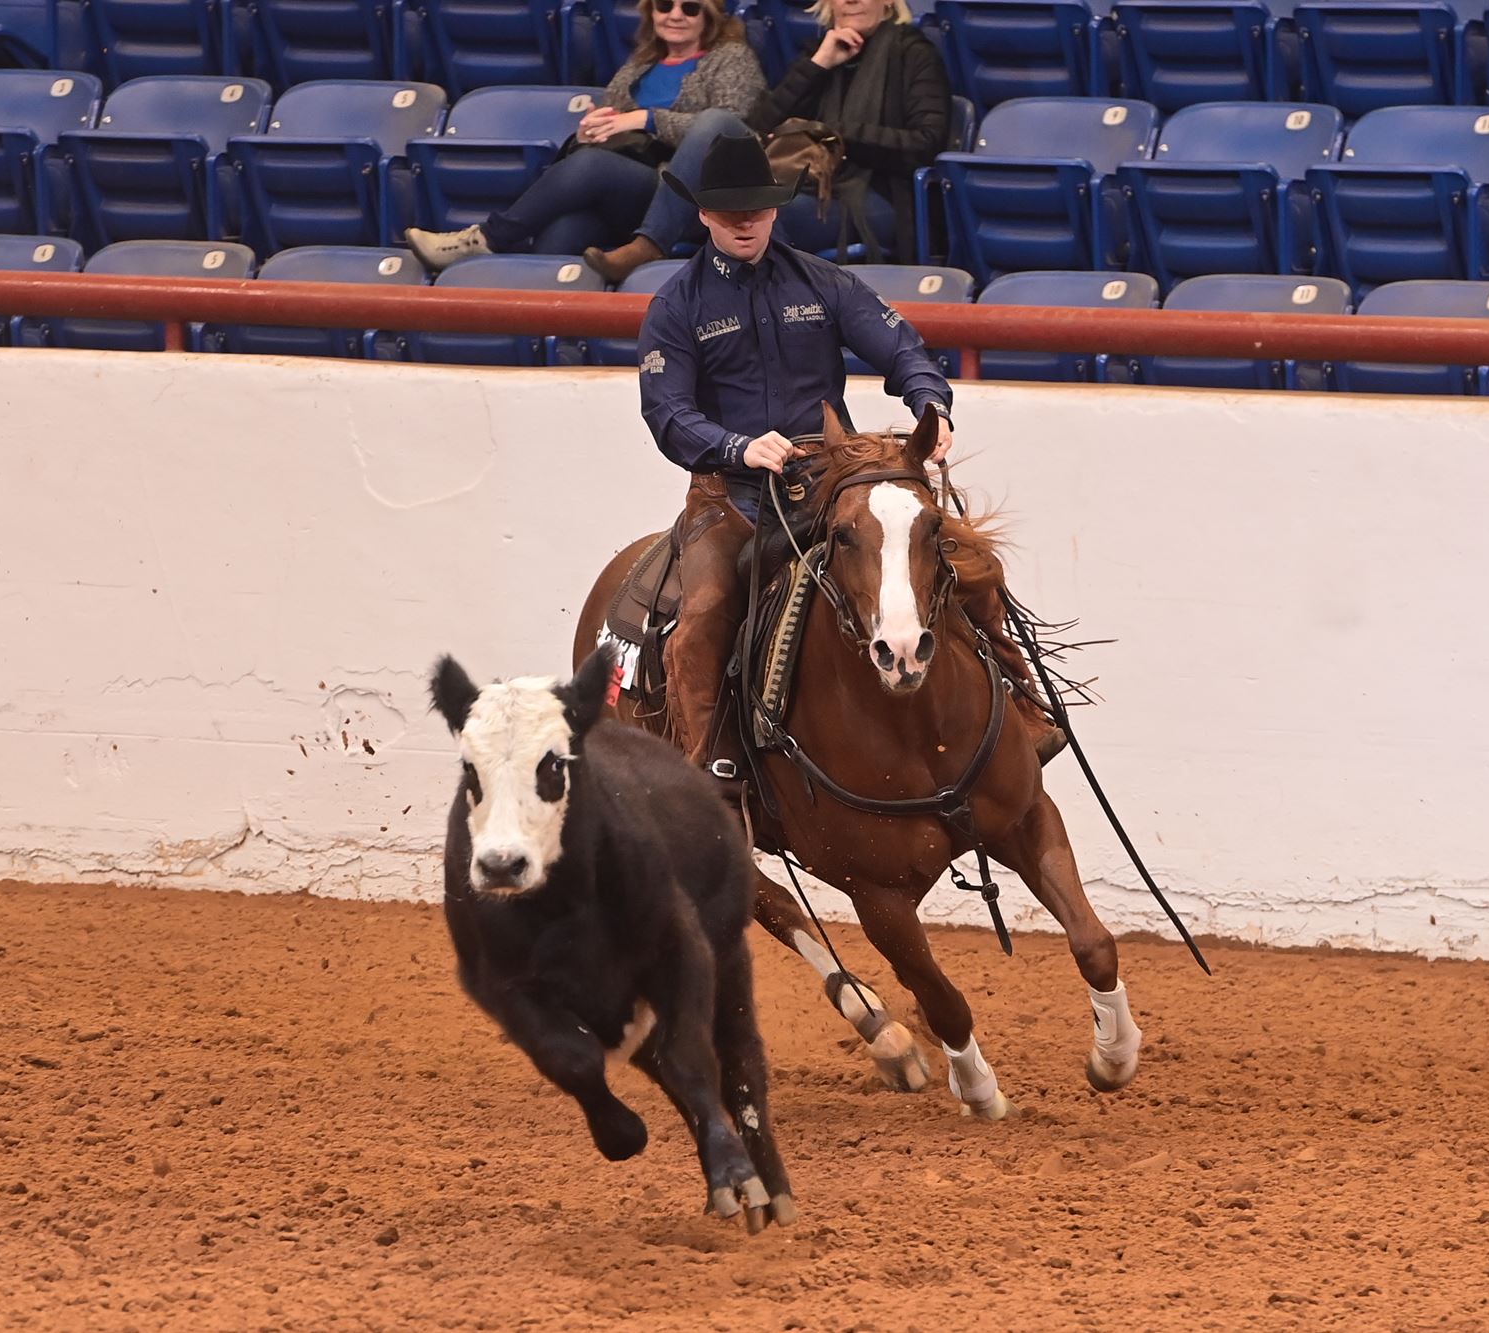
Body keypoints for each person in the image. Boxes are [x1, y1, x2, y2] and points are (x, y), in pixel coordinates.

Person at [637, 132, 1065, 786]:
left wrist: (932, 403)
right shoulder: (678, 305)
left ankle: (1023, 703)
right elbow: (667, 411)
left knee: (973, 565)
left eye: (756, 208)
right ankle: (713, 758)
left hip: (833, 481)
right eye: (729, 212)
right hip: (733, 495)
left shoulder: (823, 281)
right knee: (708, 607)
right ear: (704, 216)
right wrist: (737, 445)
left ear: (775, 210)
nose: (745, 222)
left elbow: (901, 348)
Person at [403, 0, 766, 275]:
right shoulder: (640, 64)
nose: (674, 14)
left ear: (709, 16)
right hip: (631, 188)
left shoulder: (731, 58)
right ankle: (534, 338)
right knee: (564, 230)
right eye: (663, 4)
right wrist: (591, 129)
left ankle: (488, 238)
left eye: (689, 8)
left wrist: (647, 118)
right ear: (650, 12)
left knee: (592, 166)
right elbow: (616, 130)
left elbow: (728, 125)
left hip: (690, 194)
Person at [747, 0, 950, 264]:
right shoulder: (820, 53)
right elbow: (761, 127)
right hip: (811, 186)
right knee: (733, 201)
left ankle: (780, 300)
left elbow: (925, 144)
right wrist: (818, 65)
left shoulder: (914, 54)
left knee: (761, 214)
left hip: (883, 195)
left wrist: (838, 135)